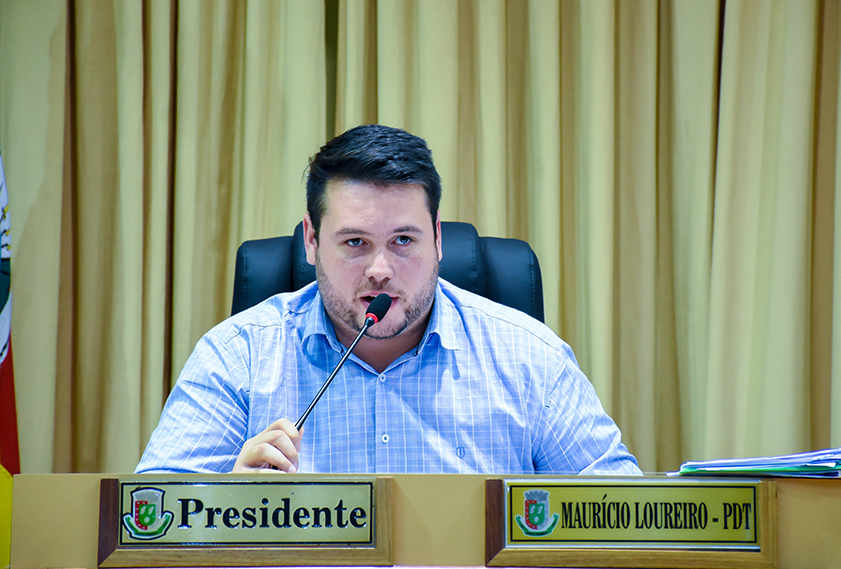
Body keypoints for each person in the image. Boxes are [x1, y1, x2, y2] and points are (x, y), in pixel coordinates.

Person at [136, 124, 641, 476]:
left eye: (403, 240)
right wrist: (223, 507)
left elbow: (621, 517)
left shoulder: (530, 357)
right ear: (311, 241)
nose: (380, 270)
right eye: (355, 242)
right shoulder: (238, 355)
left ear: (437, 239)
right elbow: (149, 527)